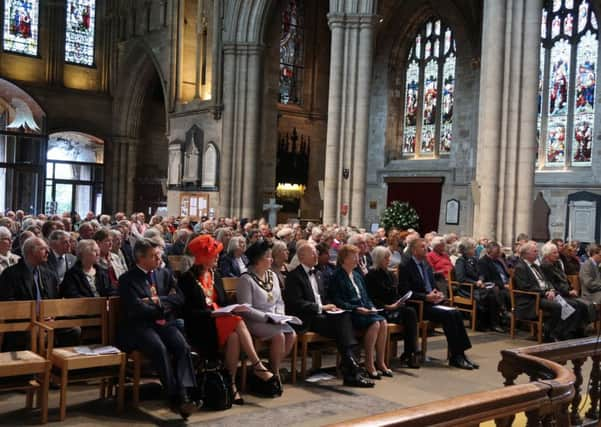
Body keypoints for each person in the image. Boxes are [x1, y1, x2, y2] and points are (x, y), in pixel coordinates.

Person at [178, 235, 276, 405]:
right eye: (214, 254)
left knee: (234, 336)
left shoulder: (215, 275)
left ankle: (230, 385)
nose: (217, 257)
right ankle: (257, 365)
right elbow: (188, 312)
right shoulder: (186, 279)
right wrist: (211, 314)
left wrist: (231, 307)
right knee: (237, 322)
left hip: (221, 322)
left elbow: (222, 302)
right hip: (201, 326)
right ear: (203, 257)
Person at [117, 238, 198, 418]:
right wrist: (162, 307)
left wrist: (157, 301)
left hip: (163, 322)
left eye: (158, 255)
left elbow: (180, 299)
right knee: (159, 348)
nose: (158, 259)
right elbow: (136, 308)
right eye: (153, 256)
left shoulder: (164, 274)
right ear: (140, 257)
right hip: (139, 326)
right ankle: (175, 396)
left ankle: (186, 393)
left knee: (182, 346)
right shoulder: (127, 279)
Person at [283, 243, 374, 387]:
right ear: (301, 257)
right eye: (312, 253)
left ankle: (350, 367)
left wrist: (331, 306)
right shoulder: (294, 276)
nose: (316, 256)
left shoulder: (318, 273)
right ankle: (351, 367)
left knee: (343, 318)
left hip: (323, 315)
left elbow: (325, 297)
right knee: (342, 326)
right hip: (306, 319)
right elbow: (296, 303)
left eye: (316, 253)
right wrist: (321, 307)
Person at [398, 238, 477, 370]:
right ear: (413, 250)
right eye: (422, 247)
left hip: (432, 302)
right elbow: (405, 292)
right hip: (418, 305)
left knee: (455, 313)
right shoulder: (406, 266)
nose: (425, 249)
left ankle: (461, 354)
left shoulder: (426, 264)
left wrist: (438, 294)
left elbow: (433, 285)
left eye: (426, 246)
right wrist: (425, 297)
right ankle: (456, 357)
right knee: (449, 316)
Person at [236, 241, 296, 394]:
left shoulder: (272, 275)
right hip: (254, 320)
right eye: (268, 257)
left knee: (291, 334)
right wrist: (267, 318)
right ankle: (275, 374)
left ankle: (267, 370)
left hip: (273, 318)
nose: (271, 260)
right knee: (279, 336)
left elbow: (279, 300)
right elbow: (246, 309)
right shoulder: (246, 279)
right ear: (258, 260)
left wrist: (280, 315)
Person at [0, 237, 80, 350]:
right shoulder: (11, 274)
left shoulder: (49, 274)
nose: (48, 252)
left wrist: (53, 315)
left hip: (48, 320)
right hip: (24, 323)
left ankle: (58, 364)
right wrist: (36, 316)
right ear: (31, 252)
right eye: (43, 249)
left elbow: (55, 299)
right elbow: (8, 304)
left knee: (74, 330)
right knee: (36, 333)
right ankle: (35, 366)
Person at [328, 244, 391, 379]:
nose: (357, 259)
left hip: (364, 310)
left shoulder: (357, 275)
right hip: (350, 313)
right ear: (344, 259)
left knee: (383, 322)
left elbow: (365, 296)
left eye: (358, 256)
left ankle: (380, 361)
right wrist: (356, 308)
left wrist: (371, 307)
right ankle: (369, 363)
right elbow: (337, 300)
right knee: (375, 324)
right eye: (354, 257)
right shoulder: (337, 276)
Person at [512, 241, 581, 342]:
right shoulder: (520, 267)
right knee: (558, 306)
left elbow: (546, 281)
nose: (537, 253)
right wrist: (545, 293)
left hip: (544, 295)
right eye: (535, 251)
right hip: (531, 299)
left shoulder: (535, 266)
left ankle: (563, 331)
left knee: (569, 304)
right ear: (526, 254)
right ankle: (549, 333)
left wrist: (551, 290)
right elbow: (525, 287)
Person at [365, 246, 420, 368]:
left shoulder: (391, 274)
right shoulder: (371, 276)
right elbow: (371, 298)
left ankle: (410, 352)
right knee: (409, 314)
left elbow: (396, 293)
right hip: (381, 309)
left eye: (389, 257)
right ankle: (411, 352)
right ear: (379, 259)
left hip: (394, 307)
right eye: (386, 258)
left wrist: (400, 301)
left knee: (410, 311)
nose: (389, 260)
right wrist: (389, 306)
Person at [540, 242, 592, 333]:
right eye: (554, 253)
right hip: (557, 293)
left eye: (557, 252)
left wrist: (571, 289)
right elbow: (553, 284)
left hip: (565, 291)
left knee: (583, 305)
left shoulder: (557, 263)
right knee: (574, 305)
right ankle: (565, 331)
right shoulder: (545, 266)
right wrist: (567, 292)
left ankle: (577, 329)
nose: (557, 255)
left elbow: (565, 279)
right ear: (547, 255)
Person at [454, 238, 503, 332]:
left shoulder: (474, 260)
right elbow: (461, 278)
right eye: (473, 248)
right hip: (467, 289)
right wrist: (475, 283)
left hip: (478, 287)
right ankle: (484, 323)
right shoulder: (461, 261)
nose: (475, 250)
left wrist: (480, 279)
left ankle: (492, 322)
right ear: (467, 250)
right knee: (491, 293)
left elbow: (480, 273)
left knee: (494, 291)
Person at [477, 241, 510, 315]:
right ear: (489, 251)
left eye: (498, 251)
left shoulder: (499, 261)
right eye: (496, 252)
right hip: (497, 286)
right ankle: (505, 314)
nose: (498, 253)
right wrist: (503, 285)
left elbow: (506, 274)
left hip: (506, 284)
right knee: (504, 294)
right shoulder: (483, 262)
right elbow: (488, 278)